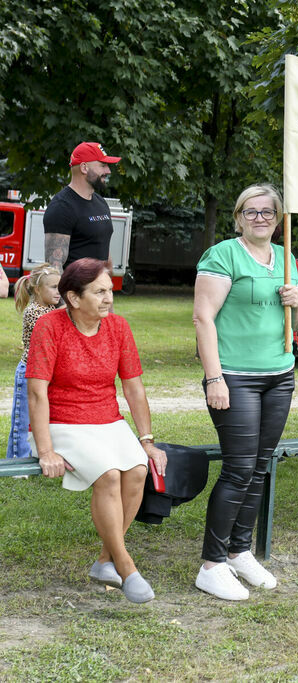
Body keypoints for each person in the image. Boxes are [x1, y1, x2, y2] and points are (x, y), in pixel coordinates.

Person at [27, 258, 166, 603]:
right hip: (62, 422)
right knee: (107, 475)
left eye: (110, 290)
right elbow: (36, 392)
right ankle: (126, 565)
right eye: (100, 292)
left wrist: (146, 440)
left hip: (106, 420)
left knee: (135, 470)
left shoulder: (118, 328)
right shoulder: (50, 326)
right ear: (74, 298)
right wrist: (45, 450)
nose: (109, 298)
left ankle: (104, 560)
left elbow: (134, 388)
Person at [193, 184, 298, 600]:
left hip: (280, 375)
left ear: (279, 220)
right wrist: (214, 378)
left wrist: (296, 299)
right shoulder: (223, 255)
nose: (260, 218)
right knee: (239, 468)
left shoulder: (287, 257)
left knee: (260, 466)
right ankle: (211, 563)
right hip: (234, 377)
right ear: (238, 216)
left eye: (268, 212)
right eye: (251, 211)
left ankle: (240, 551)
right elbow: (203, 318)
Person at [7, 265, 63, 460]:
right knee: (22, 420)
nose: (59, 292)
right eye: (54, 287)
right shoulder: (35, 311)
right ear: (38, 289)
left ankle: (36, 453)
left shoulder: (49, 308)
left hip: (43, 372)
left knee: (41, 416)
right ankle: (17, 460)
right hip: (28, 372)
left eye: (60, 287)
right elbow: (53, 325)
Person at [43, 142, 121, 271]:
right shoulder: (62, 207)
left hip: (99, 288)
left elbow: (101, 244)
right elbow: (54, 268)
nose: (108, 171)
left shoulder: (100, 202)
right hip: (76, 290)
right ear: (84, 168)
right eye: (103, 165)